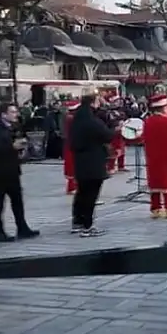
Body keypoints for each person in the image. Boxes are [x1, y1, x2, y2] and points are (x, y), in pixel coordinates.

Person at [0, 103, 40, 242]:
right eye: (13, 112)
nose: (16, 114)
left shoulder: (11, 128)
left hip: (12, 170)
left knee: (17, 201)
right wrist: (11, 147)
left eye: (16, 112)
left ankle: (22, 228)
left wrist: (20, 149)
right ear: (3, 114)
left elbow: (12, 144)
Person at [69, 95, 115, 236]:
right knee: (91, 195)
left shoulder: (76, 120)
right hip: (94, 162)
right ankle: (87, 226)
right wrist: (115, 128)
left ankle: (77, 221)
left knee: (81, 193)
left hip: (80, 162)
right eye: (97, 102)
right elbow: (107, 135)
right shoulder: (92, 122)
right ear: (92, 104)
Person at [63, 101, 79, 194]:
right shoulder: (71, 118)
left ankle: (74, 186)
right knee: (72, 165)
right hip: (72, 144)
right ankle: (71, 187)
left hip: (71, 143)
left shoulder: (70, 117)